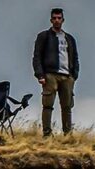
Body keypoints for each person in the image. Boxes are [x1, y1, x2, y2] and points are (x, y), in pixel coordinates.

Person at [32, 8, 79, 137]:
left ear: (63, 20)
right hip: (50, 74)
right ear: (51, 20)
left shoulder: (69, 39)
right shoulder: (44, 36)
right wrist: (40, 74)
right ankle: (47, 134)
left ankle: (67, 135)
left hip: (67, 76)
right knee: (48, 105)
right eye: (54, 18)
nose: (57, 20)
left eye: (59, 18)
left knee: (67, 106)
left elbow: (75, 57)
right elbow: (37, 56)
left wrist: (74, 75)